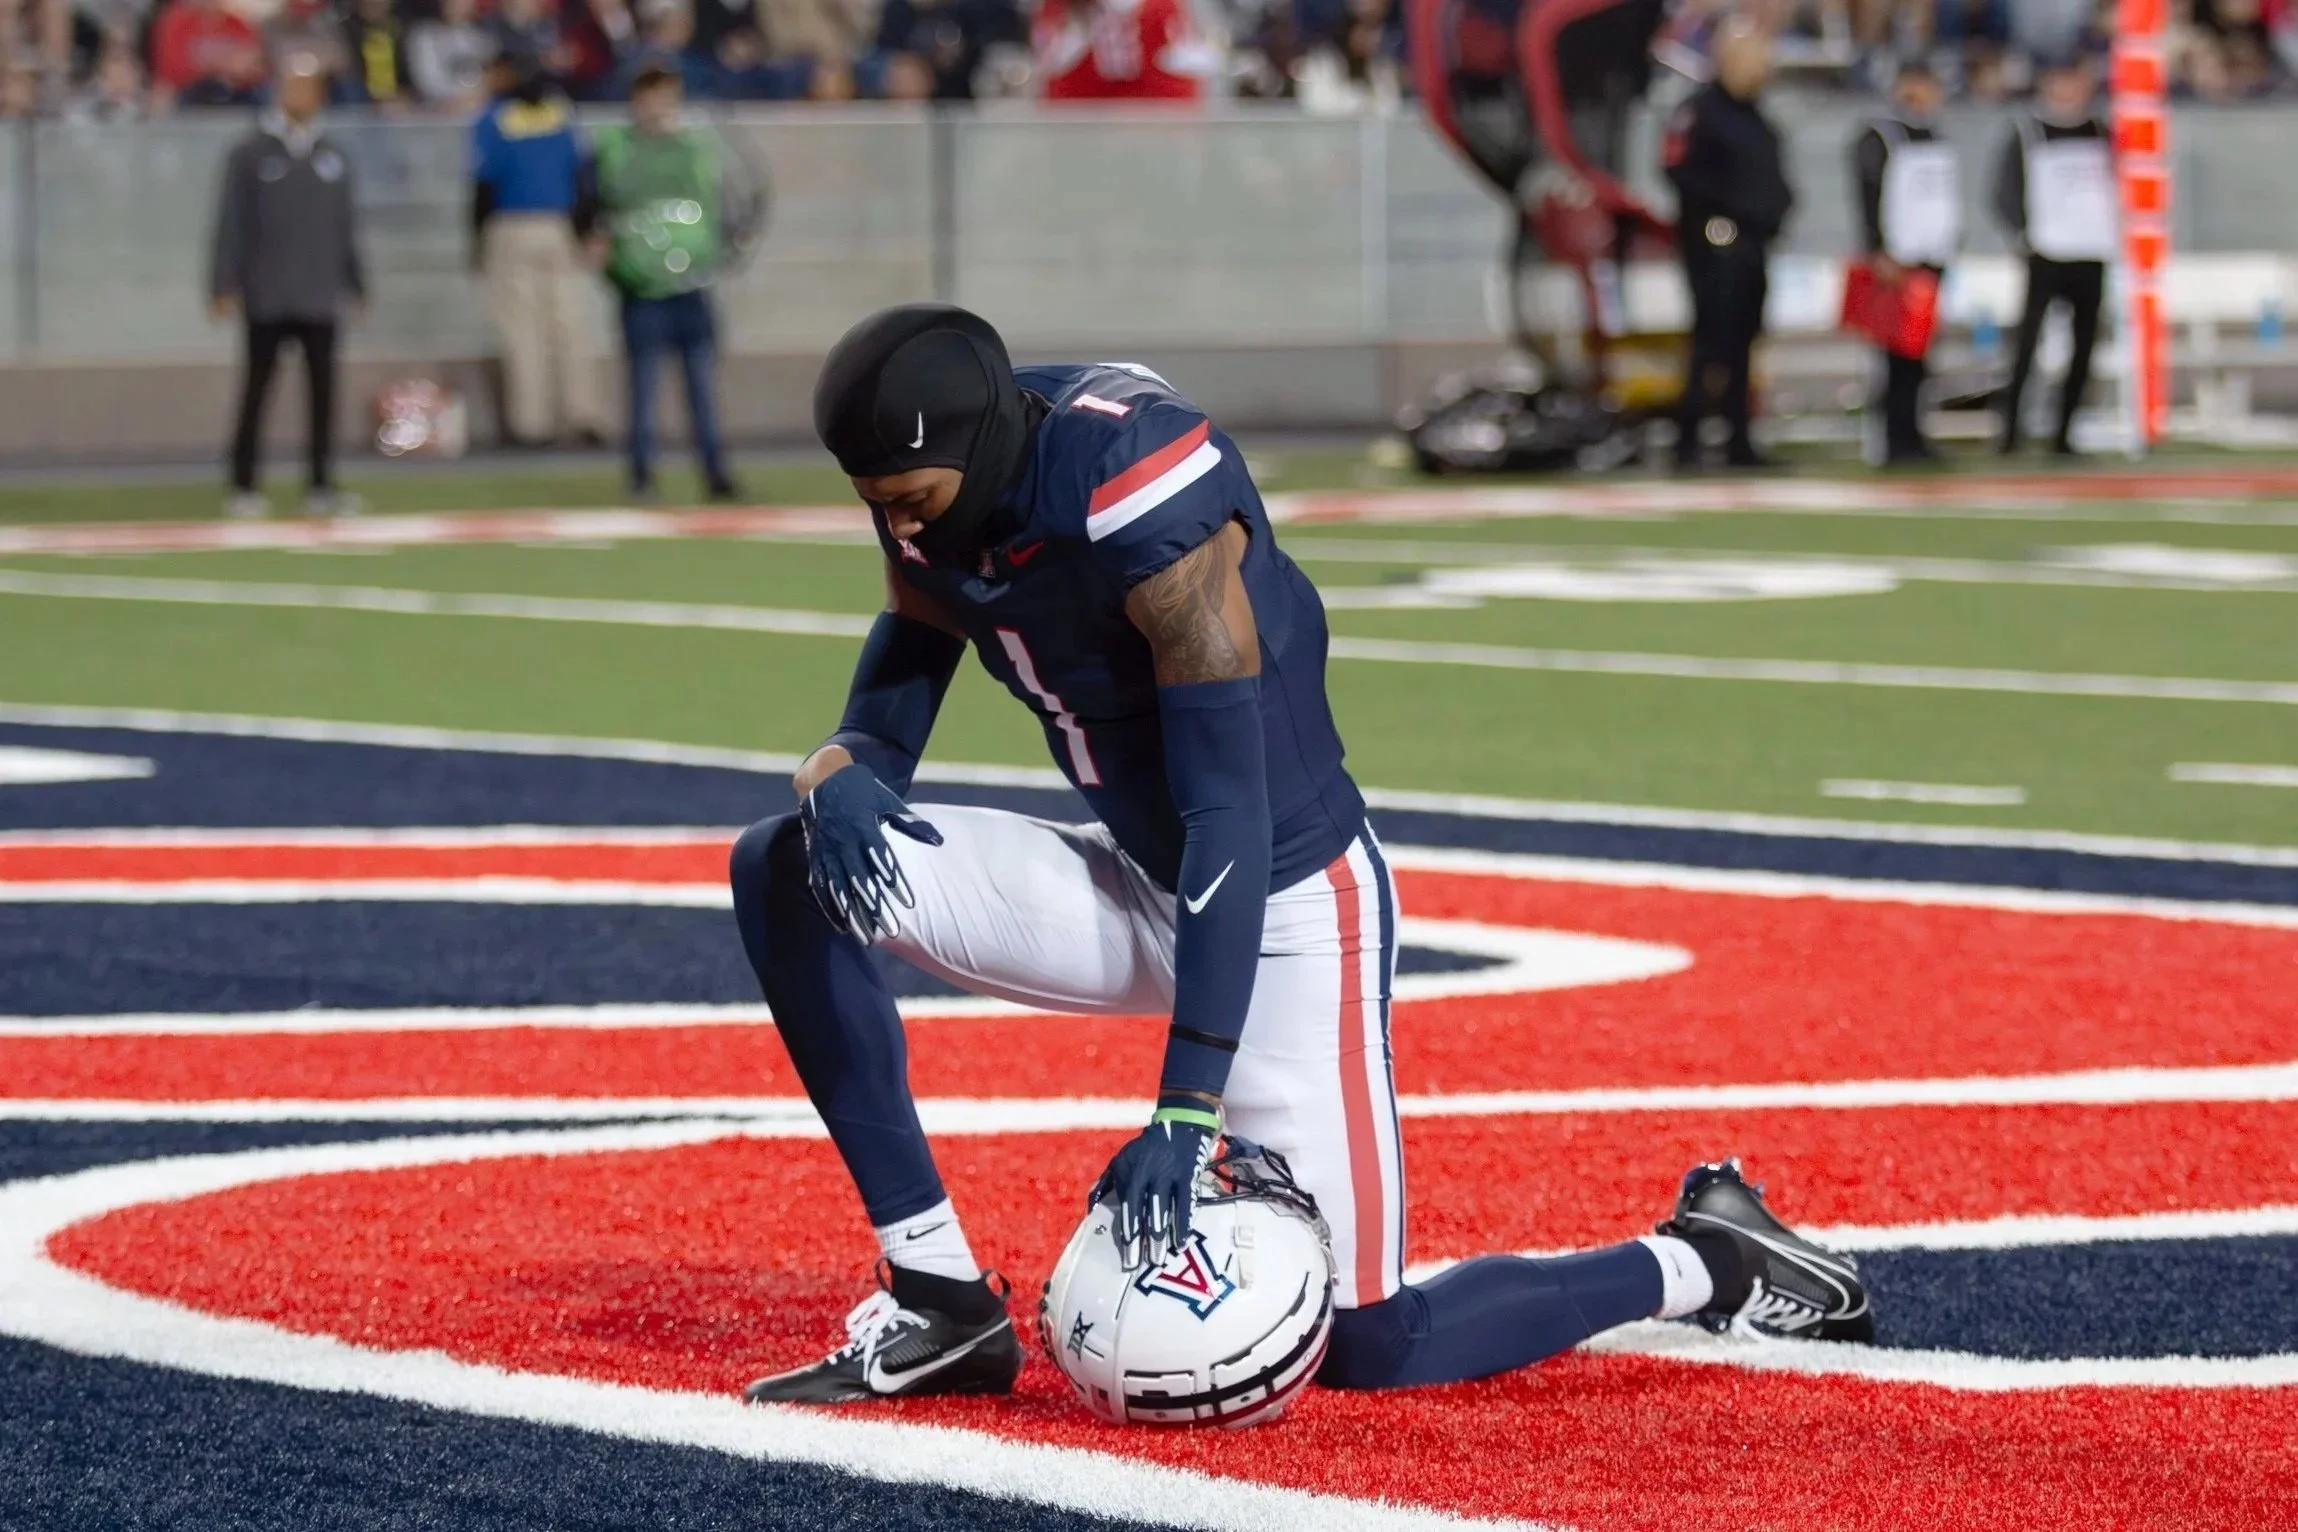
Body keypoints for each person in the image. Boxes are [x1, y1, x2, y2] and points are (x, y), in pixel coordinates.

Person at [728, 303, 1875, 1404]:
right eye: (882, 505)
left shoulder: (1137, 488)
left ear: (977, 452)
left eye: (916, 498)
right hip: (1140, 876)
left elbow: (1231, 811)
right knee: (787, 864)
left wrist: (1187, 1108)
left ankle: (1710, 1256)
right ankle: (941, 1301)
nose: (907, 524)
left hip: (1284, 896)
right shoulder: (929, 487)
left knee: (1370, 1338)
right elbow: (920, 621)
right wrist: (855, 756)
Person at [207, 54, 365, 518]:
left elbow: (345, 226)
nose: (305, 96)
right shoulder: (251, 153)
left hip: (319, 292)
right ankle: (244, 483)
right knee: (257, 389)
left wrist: (356, 281)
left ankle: (320, 483)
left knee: (323, 393)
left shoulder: (332, 154)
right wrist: (224, 282)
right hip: (267, 293)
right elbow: (231, 223)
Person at [586, 62, 745, 500]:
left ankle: (716, 474)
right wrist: (597, 243)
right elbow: (592, 202)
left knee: (702, 386)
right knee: (644, 385)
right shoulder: (616, 148)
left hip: (692, 283)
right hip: (640, 286)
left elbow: (720, 206)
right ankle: (640, 475)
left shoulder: (695, 149)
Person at [1661, 18, 1793, 472]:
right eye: (1755, 58)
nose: (1764, 68)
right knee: (1711, 345)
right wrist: (1723, 214)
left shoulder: (1757, 116)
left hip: (1754, 245)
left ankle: (1739, 442)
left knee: (1743, 344)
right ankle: (1689, 443)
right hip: (1715, 245)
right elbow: (1680, 171)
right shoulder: (1701, 112)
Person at [470, 51, 607, 448]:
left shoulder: (493, 119)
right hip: (558, 225)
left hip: (510, 225)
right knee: (570, 324)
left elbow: (482, 185)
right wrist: (587, 230)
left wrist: (476, 241)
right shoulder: (560, 115)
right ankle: (584, 414)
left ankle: (532, 424)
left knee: (522, 331)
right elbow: (584, 176)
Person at [1993, 55, 2114, 457]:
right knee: (2026, 346)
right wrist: (2024, 234)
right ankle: (2010, 432)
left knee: (2084, 347)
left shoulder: (2102, 131)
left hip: (2091, 250)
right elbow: (2005, 191)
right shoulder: (2028, 131)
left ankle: (2065, 432)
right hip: (2046, 251)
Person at [1851, 58, 1959, 466]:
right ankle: (1890, 439)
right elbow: (1867, 192)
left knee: (1919, 357)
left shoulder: (1933, 136)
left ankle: (1912, 435)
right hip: (1896, 262)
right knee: (1892, 357)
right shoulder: (1881, 135)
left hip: (1929, 259)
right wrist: (1878, 247)